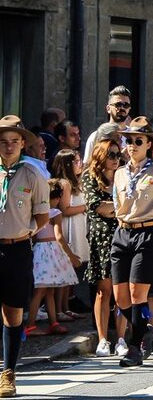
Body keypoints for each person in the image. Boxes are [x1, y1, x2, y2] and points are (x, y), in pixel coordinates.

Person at [110, 117, 153, 368]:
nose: (132, 145)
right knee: (121, 297)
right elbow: (118, 204)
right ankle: (147, 329)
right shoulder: (119, 174)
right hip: (123, 231)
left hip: (147, 232)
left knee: (138, 293)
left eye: (138, 141)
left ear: (149, 144)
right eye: (129, 140)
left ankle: (134, 346)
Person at [0, 117, 51, 398]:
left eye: (14, 142)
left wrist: (24, 232)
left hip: (17, 248)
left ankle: (8, 373)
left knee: (13, 312)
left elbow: (42, 217)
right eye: (3, 142)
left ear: (22, 144)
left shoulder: (32, 175)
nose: (8, 147)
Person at [83, 137, 128, 358]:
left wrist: (116, 207)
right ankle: (102, 339)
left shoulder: (123, 176)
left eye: (118, 154)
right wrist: (121, 205)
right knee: (104, 291)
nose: (115, 159)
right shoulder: (90, 177)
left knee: (123, 291)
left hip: (123, 235)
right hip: (101, 239)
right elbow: (98, 207)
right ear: (100, 155)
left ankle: (120, 338)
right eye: (111, 154)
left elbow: (132, 203)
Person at [25, 180, 79, 337]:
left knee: (48, 290)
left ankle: (53, 322)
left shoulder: (36, 212)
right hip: (52, 251)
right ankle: (30, 325)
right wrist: (71, 256)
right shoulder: (55, 213)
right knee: (41, 291)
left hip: (39, 251)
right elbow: (59, 236)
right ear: (58, 197)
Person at [50, 149, 89, 322]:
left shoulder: (74, 182)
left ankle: (65, 308)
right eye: (76, 161)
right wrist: (86, 207)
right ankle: (59, 309)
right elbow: (64, 209)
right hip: (68, 229)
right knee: (65, 272)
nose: (79, 164)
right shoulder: (64, 184)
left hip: (77, 226)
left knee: (70, 273)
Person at [83, 87, 132, 163]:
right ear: (108, 108)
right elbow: (87, 166)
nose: (122, 108)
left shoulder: (135, 136)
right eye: (118, 104)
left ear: (129, 109)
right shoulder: (96, 136)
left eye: (126, 105)